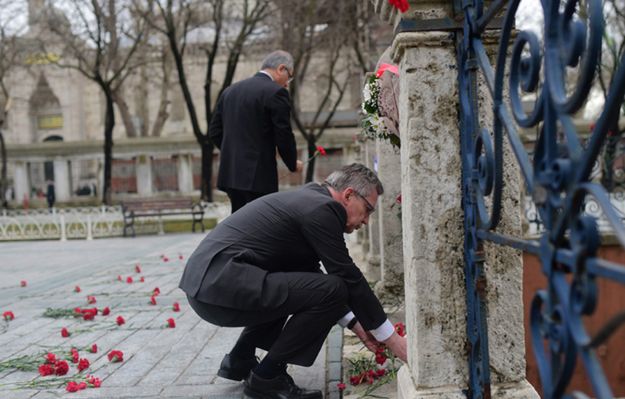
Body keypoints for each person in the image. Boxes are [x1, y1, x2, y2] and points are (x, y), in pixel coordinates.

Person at [180, 163, 407, 399]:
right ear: (349, 195)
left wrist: (356, 325)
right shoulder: (323, 209)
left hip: (207, 286)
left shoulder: (311, 199)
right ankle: (267, 378)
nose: (366, 221)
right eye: (368, 209)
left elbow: (308, 277)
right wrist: (391, 339)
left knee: (303, 288)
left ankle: (240, 359)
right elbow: (347, 276)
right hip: (220, 286)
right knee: (335, 288)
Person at [209, 50, 304, 213]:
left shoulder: (230, 91)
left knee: (240, 224)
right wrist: (292, 163)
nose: (287, 83)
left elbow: (215, 132)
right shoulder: (276, 92)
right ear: (281, 68)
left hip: (231, 174)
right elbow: (284, 135)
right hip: (258, 176)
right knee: (261, 226)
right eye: (289, 77)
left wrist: (236, 153)